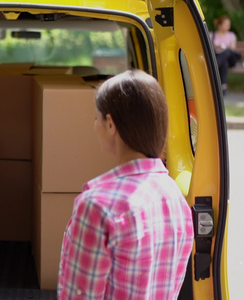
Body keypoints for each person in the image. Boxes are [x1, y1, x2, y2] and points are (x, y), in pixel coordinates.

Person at [57, 69, 194, 299]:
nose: (94, 126)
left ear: (110, 124)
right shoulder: (174, 196)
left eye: (96, 118)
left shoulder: (96, 206)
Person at [210, 15, 239, 95]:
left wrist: (224, 47)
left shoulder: (231, 35)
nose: (228, 26)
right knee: (224, 63)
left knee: (227, 52)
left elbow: (232, 48)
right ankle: (223, 87)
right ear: (219, 25)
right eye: (226, 24)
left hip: (230, 59)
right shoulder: (212, 35)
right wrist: (217, 46)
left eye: (228, 24)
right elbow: (209, 48)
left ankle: (214, 67)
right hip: (219, 57)